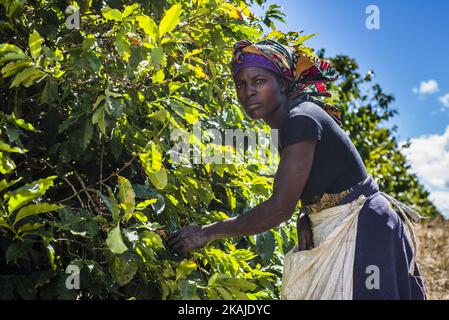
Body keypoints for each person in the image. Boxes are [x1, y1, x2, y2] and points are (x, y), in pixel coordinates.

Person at [167, 39, 426, 300]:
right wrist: (308, 215)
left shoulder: (300, 118)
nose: (248, 92)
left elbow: (280, 208)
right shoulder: (287, 124)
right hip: (347, 225)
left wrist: (206, 232)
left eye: (259, 81)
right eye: (241, 84)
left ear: (282, 84)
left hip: (362, 228)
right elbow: (319, 180)